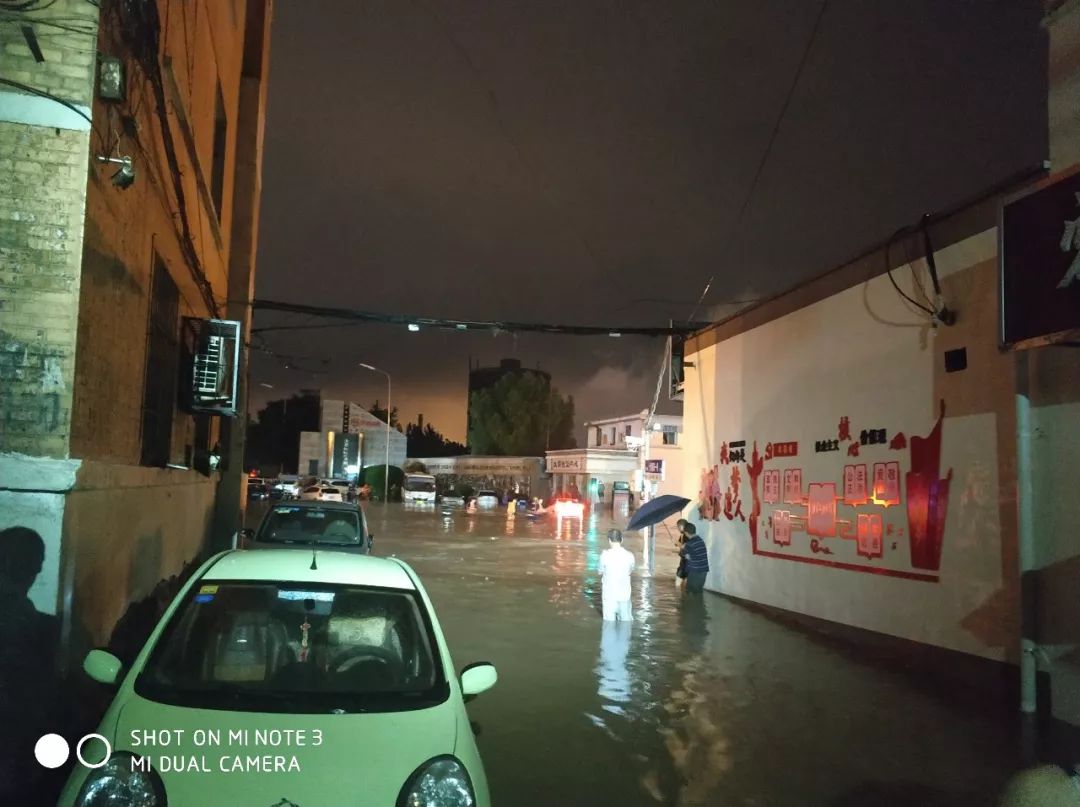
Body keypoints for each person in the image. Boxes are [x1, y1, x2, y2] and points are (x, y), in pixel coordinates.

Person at [598, 528, 635, 621]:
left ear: (609, 540)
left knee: (609, 626)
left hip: (609, 596)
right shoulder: (630, 555)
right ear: (622, 539)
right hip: (625, 595)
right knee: (625, 625)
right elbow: (631, 570)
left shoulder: (604, 555)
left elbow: (599, 571)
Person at [679, 522, 709, 593]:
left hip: (695, 572)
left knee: (691, 593)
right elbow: (691, 555)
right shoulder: (700, 540)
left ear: (686, 533)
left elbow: (685, 554)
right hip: (704, 571)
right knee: (698, 591)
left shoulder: (690, 544)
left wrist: (678, 544)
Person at [675, 518, 690, 585]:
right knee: (680, 573)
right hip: (683, 558)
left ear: (682, 526)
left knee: (681, 574)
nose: (677, 529)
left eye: (678, 527)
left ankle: (679, 588)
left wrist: (678, 544)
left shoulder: (687, 535)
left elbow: (685, 546)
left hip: (687, 559)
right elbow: (678, 543)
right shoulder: (682, 535)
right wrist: (676, 543)